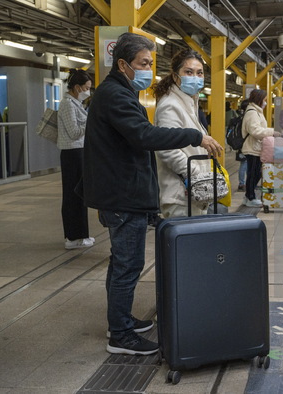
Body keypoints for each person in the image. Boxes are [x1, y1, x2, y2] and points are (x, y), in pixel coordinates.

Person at [82, 32, 223, 356]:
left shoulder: (119, 91)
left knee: (122, 262)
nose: (148, 69)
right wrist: (194, 137)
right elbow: (144, 135)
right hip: (121, 196)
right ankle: (120, 335)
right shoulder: (115, 95)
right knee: (128, 265)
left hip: (125, 194)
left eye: (150, 63)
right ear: (123, 64)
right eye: (143, 63)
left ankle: (120, 321)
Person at [152, 49, 210, 218]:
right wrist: (194, 174)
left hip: (193, 192)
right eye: (188, 72)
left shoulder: (189, 103)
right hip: (181, 194)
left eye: (199, 73)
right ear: (176, 76)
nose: (195, 77)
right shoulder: (170, 105)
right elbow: (166, 148)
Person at [57, 69, 95, 249]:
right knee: (72, 195)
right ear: (78, 87)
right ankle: (71, 237)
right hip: (71, 153)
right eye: (87, 88)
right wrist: (90, 123)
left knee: (80, 194)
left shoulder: (76, 104)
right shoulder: (67, 104)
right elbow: (73, 132)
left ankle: (81, 235)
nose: (88, 91)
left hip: (79, 152)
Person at [241, 89, 282, 207]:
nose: (265, 102)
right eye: (264, 100)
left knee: (256, 173)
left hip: (256, 147)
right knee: (253, 173)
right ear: (259, 100)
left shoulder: (257, 111)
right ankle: (250, 197)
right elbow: (255, 130)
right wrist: (272, 132)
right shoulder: (252, 112)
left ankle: (247, 197)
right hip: (252, 148)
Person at [235, 100, 249, 192]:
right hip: (245, 144)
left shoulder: (240, 118)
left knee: (245, 164)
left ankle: (243, 183)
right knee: (244, 164)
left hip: (241, 144)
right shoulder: (246, 118)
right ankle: (242, 184)